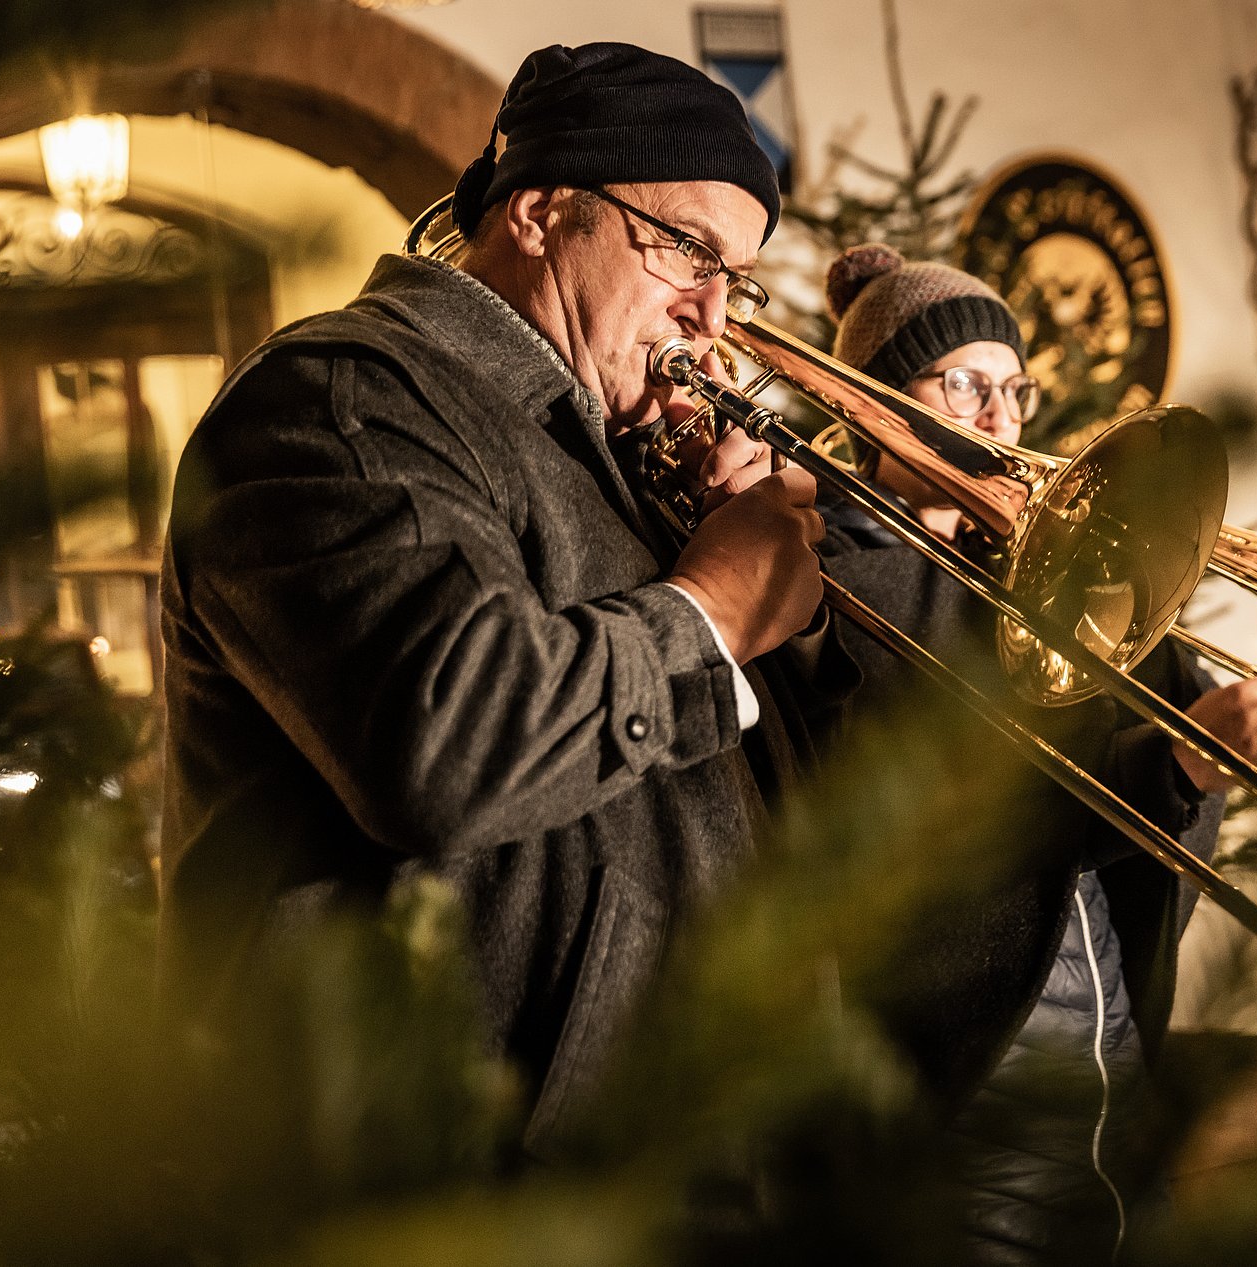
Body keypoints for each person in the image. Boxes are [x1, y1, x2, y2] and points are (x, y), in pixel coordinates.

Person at [160, 42, 836, 1154]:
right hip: (433, 1180)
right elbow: (445, 739)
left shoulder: (608, 448)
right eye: (686, 251)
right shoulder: (337, 397)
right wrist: (708, 612)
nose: (714, 318)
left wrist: (757, 598)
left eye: (740, 280)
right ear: (541, 210)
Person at [815, 244, 1257, 1265]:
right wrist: (1182, 763)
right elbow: (958, 823)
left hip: (1114, 1050)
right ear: (876, 404)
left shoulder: (1028, 570)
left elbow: (1152, 781)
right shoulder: (837, 576)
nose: (1001, 418)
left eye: (1013, 389)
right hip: (970, 1076)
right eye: (964, 385)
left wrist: (1152, 619)